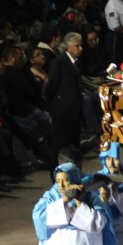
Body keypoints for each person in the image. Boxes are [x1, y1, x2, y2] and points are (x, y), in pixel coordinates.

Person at [46, 33, 83, 166]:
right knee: (60, 146)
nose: (80, 48)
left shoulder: (76, 63)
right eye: (77, 46)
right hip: (62, 112)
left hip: (75, 111)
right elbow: (52, 86)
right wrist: (56, 105)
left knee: (74, 145)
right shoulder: (59, 62)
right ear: (68, 47)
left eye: (80, 45)